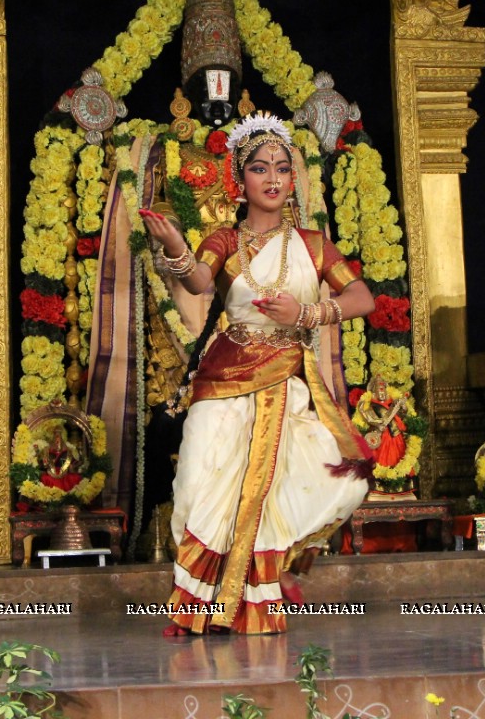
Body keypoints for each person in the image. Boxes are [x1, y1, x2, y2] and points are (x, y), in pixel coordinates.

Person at [141, 112, 375, 635]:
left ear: (293, 179)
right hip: (222, 378)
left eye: (283, 169)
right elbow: (200, 281)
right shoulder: (224, 239)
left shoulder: (314, 245)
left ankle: (251, 599)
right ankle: (195, 602)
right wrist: (176, 245)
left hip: (281, 379)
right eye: (260, 168)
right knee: (196, 488)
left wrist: (310, 315)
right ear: (238, 179)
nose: (273, 178)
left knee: (286, 489)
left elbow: (362, 297)